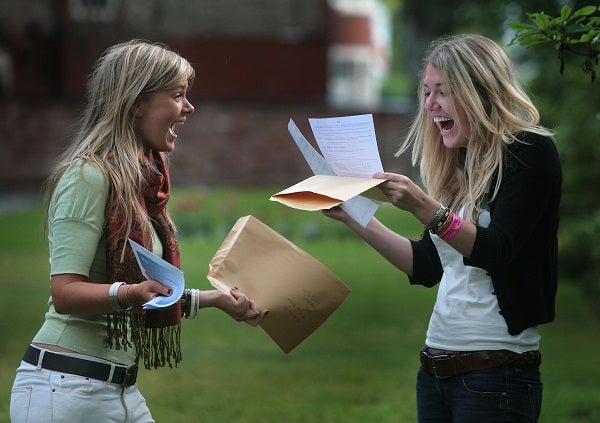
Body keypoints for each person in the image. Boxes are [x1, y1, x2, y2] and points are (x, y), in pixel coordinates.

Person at [10, 39, 267, 423]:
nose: (188, 108)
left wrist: (214, 300)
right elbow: (65, 293)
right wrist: (133, 292)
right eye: (178, 95)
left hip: (120, 390)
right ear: (136, 104)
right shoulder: (88, 175)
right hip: (63, 389)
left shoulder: (140, 186)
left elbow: (147, 294)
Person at [323, 34, 562, 422]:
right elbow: (427, 265)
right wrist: (354, 215)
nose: (430, 105)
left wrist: (423, 206)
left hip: (496, 376)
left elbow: (496, 250)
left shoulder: (530, 152)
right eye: (427, 92)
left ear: (480, 92)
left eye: (443, 92)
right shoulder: (461, 168)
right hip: (434, 372)